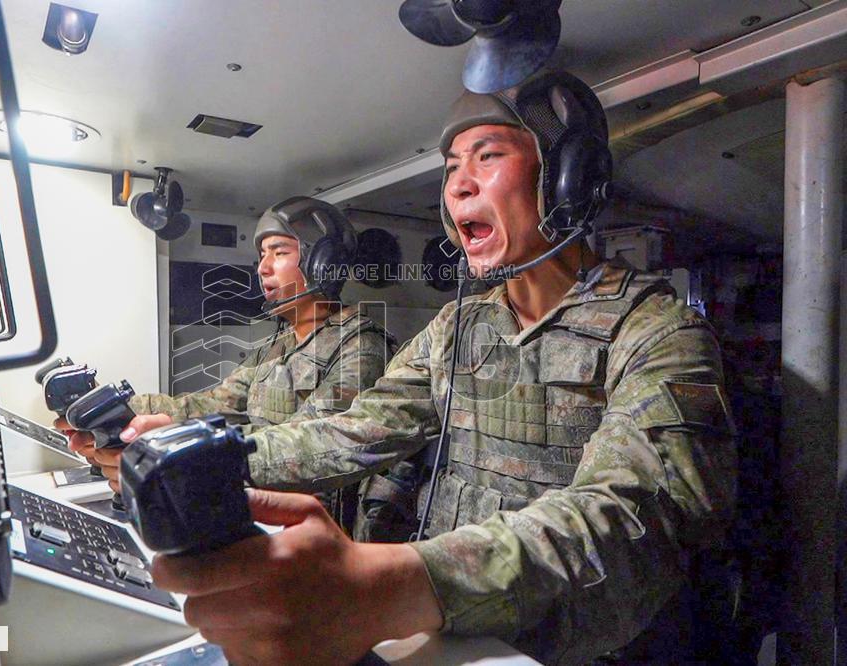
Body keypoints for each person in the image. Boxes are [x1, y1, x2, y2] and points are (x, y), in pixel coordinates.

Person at [147, 70, 738, 665]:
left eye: (488, 157)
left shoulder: (659, 331)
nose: (458, 187)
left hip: (576, 645)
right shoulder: (456, 327)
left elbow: (633, 508)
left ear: (565, 179)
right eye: (453, 166)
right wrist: (210, 463)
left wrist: (403, 580)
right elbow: (356, 430)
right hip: (457, 634)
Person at [64, 196, 420, 540]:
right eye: (261, 255)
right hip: (257, 514)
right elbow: (216, 404)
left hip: (314, 531)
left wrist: (199, 453)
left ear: (322, 265)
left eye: (279, 253)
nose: (263, 267)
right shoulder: (276, 345)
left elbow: (317, 442)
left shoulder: (360, 346)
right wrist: (125, 413)